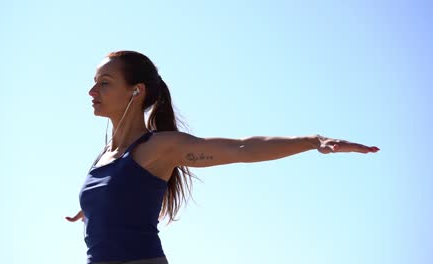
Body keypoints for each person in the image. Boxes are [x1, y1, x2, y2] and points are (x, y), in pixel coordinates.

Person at [65, 50, 380, 264]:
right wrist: (95, 204)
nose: (92, 91)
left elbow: (241, 148)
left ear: (137, 91)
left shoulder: (159, 148)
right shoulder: (105, 157)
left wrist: (313, 141)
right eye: (94, 82)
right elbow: (119, 199)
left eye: (104, 83)